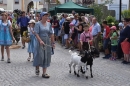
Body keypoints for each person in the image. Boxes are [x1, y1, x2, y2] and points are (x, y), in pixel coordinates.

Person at [33, 12, 55, 78]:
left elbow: (51, 33)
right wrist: (40, 41)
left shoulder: (49, 24)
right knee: (40, 55)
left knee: (46, 56)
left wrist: (53, 43)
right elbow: (36, 33)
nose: (46, 17)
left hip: (47, 41)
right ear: (42, 16)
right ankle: (37, 67)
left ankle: (44, 73)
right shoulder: (37, 24)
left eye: (47, 16)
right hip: (40, 41)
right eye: (45, 16)